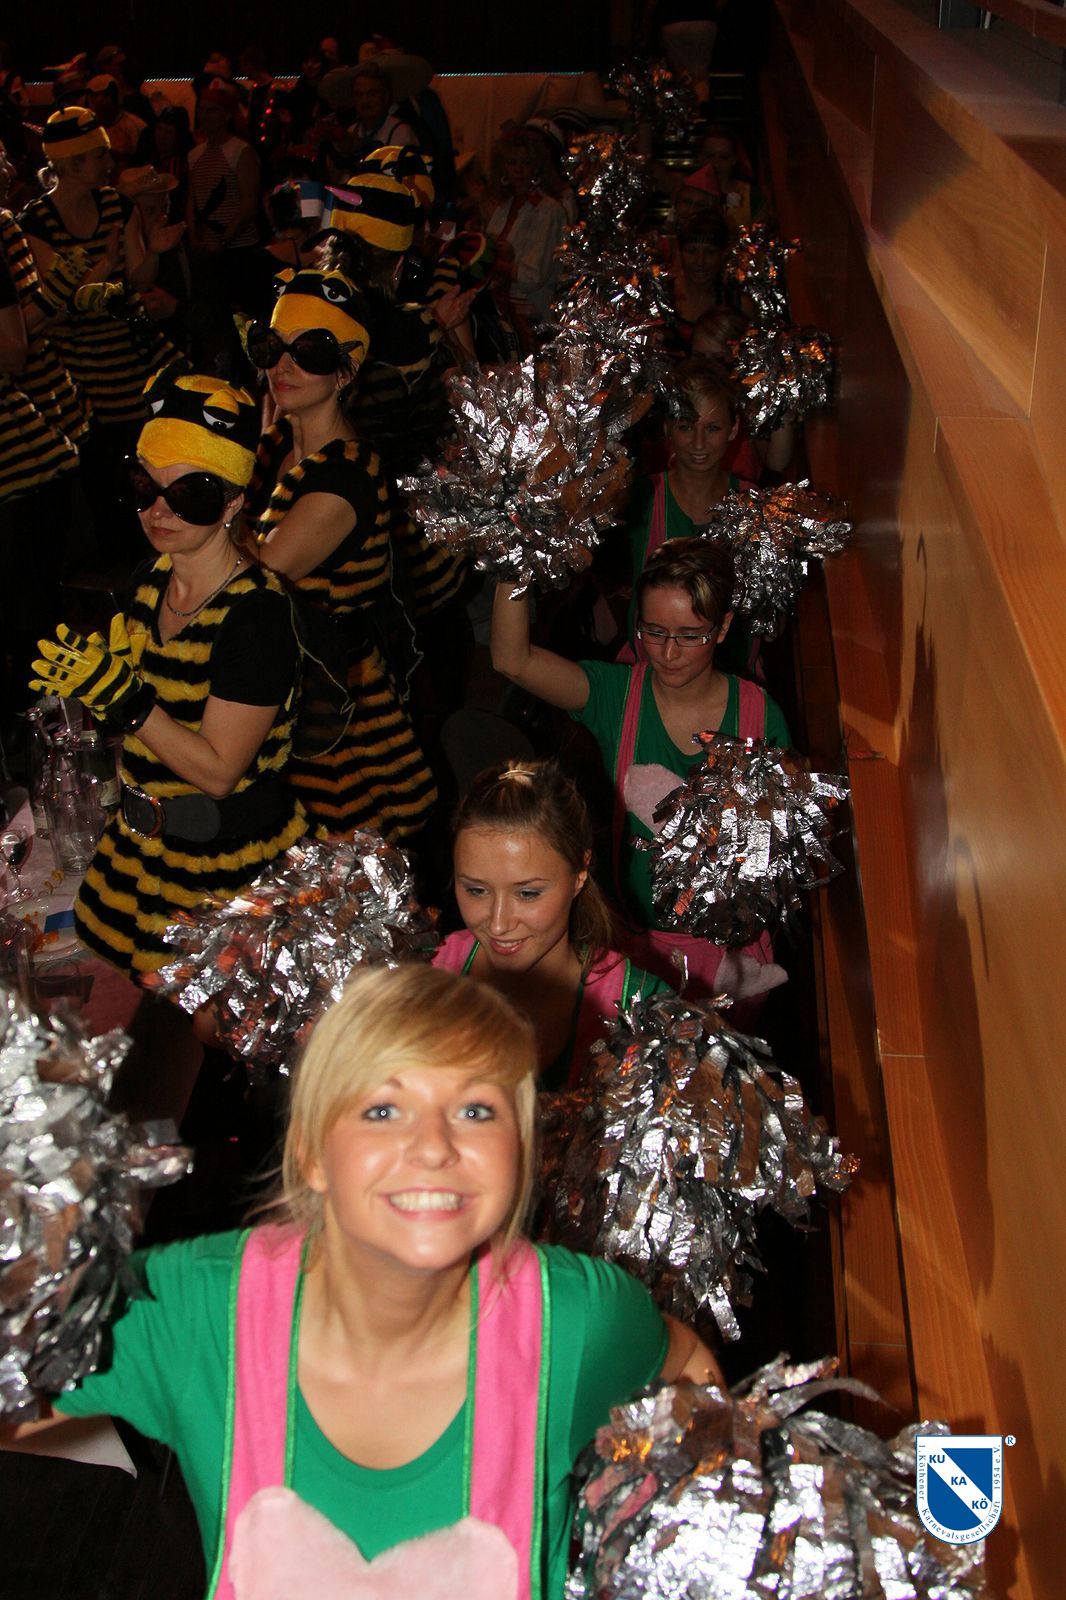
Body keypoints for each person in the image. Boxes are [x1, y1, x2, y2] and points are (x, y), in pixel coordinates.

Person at [40, 962, 722, 1597]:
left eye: (477, 1110)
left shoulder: (573, 1322)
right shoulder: (195, 1310)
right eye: (382, 1110)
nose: (434, 1146)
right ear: (312, 1153)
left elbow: (686, 1364)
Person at [28, 373, 307, 977]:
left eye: (191, 495)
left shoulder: (257, 615)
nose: (160, 511)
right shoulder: (149, 580)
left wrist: (124, 700)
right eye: (145, 487)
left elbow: (219, 771)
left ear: (232, 501)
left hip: (223, 862)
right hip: (139, 847)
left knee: (202, 1012)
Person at [490, 538, 789, 1001]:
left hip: (727, 957)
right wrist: (517, 548)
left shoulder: (759, 717)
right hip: (631, 943)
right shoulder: (616, 695)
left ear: (724, 627)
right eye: (653, 631)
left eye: (690, 635)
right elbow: (513, 660)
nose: (668, 653)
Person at [245, 267, 438, 846]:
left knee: (333, 864)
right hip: (279, 681)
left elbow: (255, 575)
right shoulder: (278, 443)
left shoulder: (348, 474)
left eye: (309, 352)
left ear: (346, 370)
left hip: (333, 705)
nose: (284, 366)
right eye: (272, 347)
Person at [435, 760, 672, 1089]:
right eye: (476, 890)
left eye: (528, 894)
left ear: (579, 874)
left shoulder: (643, 1009)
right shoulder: (427, 974)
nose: (498, 924)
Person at [19, 106, 183, 563]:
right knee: (98, 480)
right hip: (79, 372)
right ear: (71, 163)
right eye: (98, 156)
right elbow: (67, 298)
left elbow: (139, 276)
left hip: (127, 361)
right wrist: (106, 264)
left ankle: (143, 562)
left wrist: (154, 249)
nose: (108, 164)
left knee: (138, 471)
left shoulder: (116, 204)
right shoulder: (36, 220)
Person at [487, 128, 567, 336]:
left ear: (537, 166)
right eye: (512, 162)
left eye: (526, 162)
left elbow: (533, 277)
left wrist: (498, 263)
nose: (519, 170)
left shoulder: (548, 210)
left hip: (532, 318)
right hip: (501, 311)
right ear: (503, 167)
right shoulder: (503, 206)